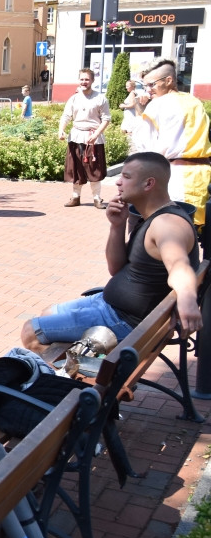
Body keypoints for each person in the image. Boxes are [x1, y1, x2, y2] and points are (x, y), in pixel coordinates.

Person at [21, 152, 201, 352]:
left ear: (148, 184)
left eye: (126, 176)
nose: (118, 182)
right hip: (111, 306)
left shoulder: (167, 224)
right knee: (48, 314)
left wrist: (186, 297)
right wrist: (117, 225)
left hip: (122, 321)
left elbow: (179, 265)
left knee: (31, 332)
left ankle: (75, 378)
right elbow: (115, 269)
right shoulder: (151, 217)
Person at [131, 58, 211, 227]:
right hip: (202, 176)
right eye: (145, 85)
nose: (148, 90)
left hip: (174, 179)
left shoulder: (158, 104)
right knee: (199, 234)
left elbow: (144, 146)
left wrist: (139, 111)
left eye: (152, 85)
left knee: (172, 233)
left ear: (168, 81)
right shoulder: (195, 102)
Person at [58, 68, 111, 209]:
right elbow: (66, 116)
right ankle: (75, 197)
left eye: (87, 79)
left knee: (95, 169)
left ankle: (97, 198)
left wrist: (96, 135)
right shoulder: (74, 98)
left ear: (92, 81)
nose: (84, 82)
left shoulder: (100, 98)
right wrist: (61, 130)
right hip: (76, 137)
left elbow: (106, 119)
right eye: (82, 79)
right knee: (76, 168)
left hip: (93, 139)